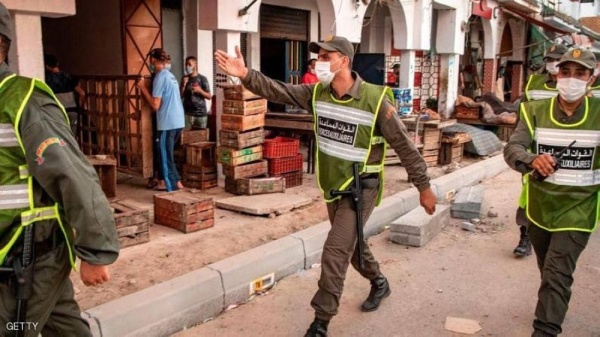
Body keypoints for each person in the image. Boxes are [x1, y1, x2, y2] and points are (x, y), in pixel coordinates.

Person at [215, 36, 436, 337]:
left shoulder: (375, 99)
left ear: (344, 61)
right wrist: (245, 75)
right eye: (318, 57)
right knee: (352, 247)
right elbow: (279, 89)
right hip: (334, 185)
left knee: (334, 251)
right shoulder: (317, 93)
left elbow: (405, 145)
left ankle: (320, 322)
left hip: (362, 187)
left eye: (326, 57)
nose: (319, 63)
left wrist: (423, 186)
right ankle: (379, 282)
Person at [0, 3, 120, 336]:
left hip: (29, 254)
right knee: (63, 325)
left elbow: (73, 173)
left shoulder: (24, 99)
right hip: (12, 252)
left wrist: (95, 251)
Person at [504, 48, 600, 337]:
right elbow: (513, 149)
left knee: (558, 272)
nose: (571, 79)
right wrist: (533, 159)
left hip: (579, 210)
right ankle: (554, 303)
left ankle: (545, 328)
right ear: (557, 74)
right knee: (549, 270)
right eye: (566, 72)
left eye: (579, 74)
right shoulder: (534, 111)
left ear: (591, 80)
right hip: (540, 207)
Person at [512, 44, 567, 259]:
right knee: (529, 194)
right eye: (550, 60)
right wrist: (521, 150)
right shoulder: (535, 83)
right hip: (536, 153)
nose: (553, 65)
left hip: (570, 152)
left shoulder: (582, 89)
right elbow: (523, 115)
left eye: (558, 61)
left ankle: (561, 235)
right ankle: (526, 237)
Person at [138, 48, 185, 192]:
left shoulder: (159, 77)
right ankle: (177, 183)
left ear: (152, 60)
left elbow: (156, 104)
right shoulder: (171, 76)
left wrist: (142, 88)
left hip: (167, 123)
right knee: (168, 154)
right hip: (178, 121)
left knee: (164, 155)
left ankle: (169, 186)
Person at [44, 53, 86, 135]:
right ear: (57, 64)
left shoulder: (47, 80)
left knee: (61, 138)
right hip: (72, 111)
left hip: (59, 113)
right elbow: (82, 93)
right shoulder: (68, 76)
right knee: (72, 137)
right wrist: (80, 107)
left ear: (46, 66)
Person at [181, 56, 211, 129]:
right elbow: (181, 96)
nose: (187, 67)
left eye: (189, 64)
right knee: (186, 137)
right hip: (187, 113)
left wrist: (200, 91)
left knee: (201, 137)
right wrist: (183, 85)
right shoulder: (184, 78)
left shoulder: (202, 79)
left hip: (200, 114)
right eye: (186, 65)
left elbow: (209, 96)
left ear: (195, 65)